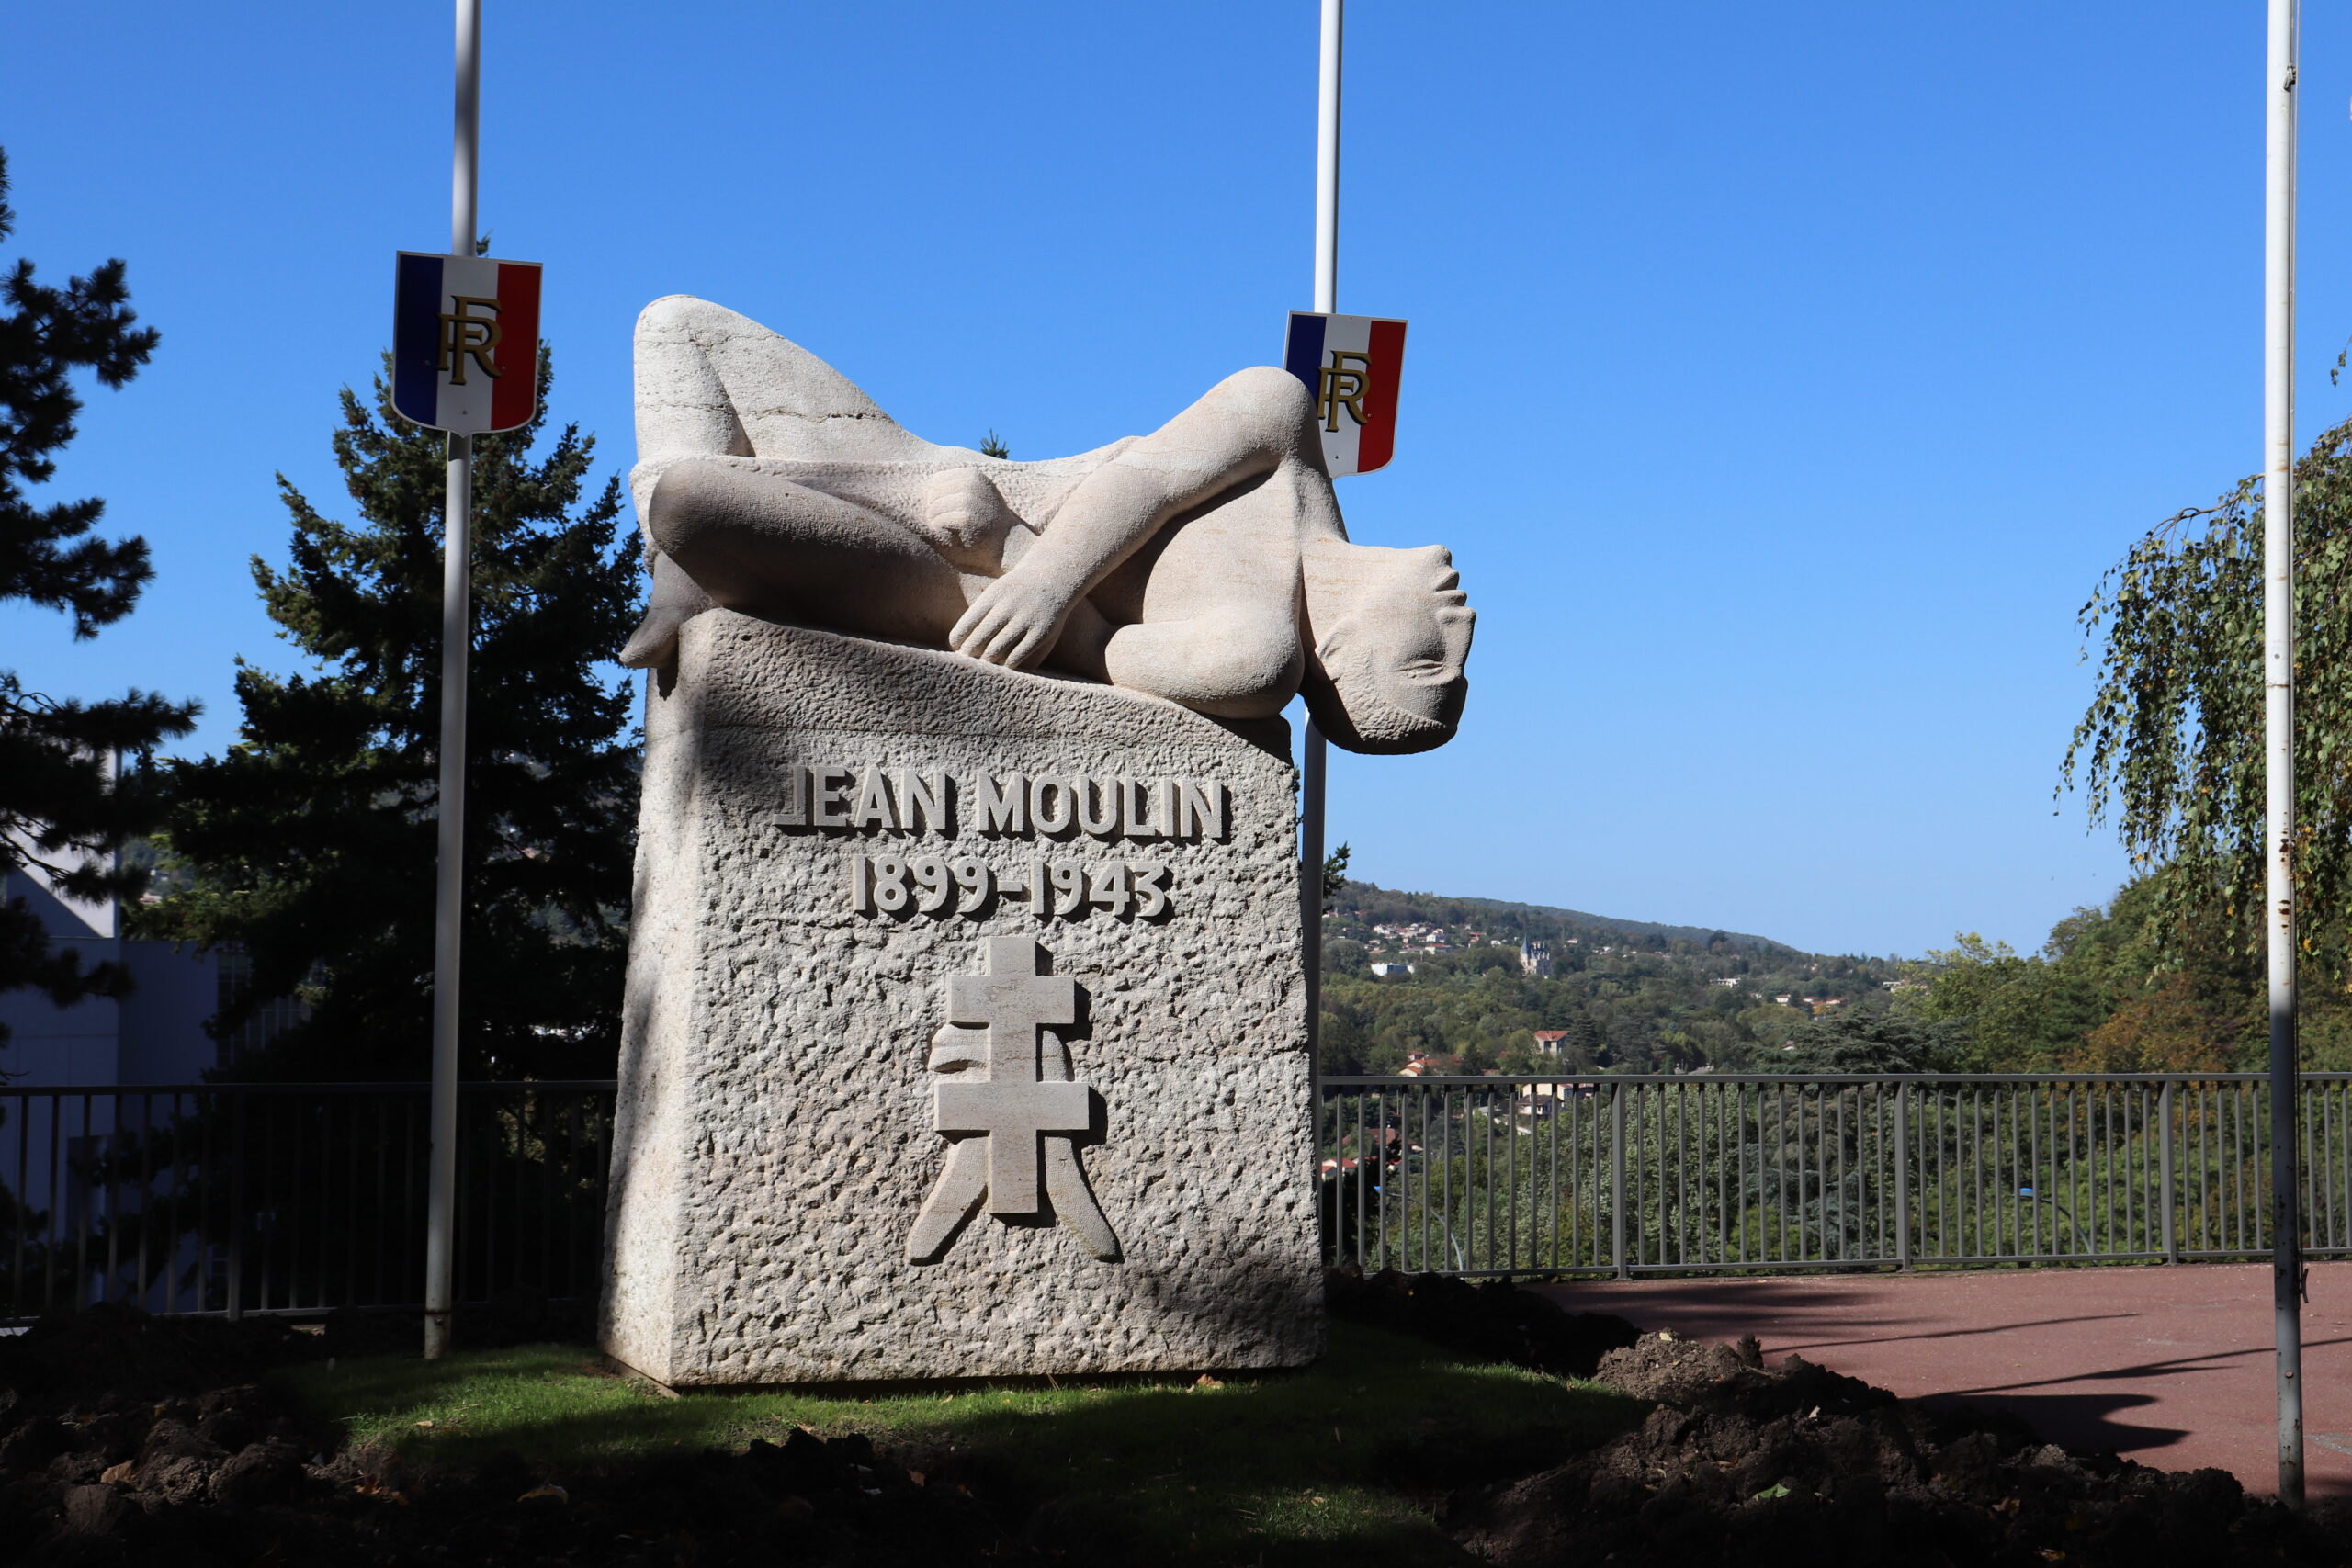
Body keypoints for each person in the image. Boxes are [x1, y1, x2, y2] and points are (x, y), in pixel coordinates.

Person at [618, 297, 1473, 753]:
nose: (1463, 618)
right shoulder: (1288, 431)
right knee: (676, 330)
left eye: (1434, 658)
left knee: (694, 501)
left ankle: (689, 560)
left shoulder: (1256, 653)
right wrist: (1049, 570)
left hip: (950, 578)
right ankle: (680, 570)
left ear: (1348, 657)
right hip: (947, 479)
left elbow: (1097, 654)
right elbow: (1148, 480)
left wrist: (1012, 560)